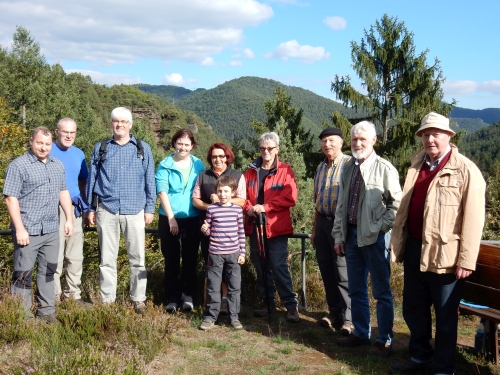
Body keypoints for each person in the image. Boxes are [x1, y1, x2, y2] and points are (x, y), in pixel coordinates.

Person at [390, 112, 486, 375]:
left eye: (436, 134)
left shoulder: (466, 170)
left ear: (448, 137)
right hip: (414, 248)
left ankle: (444, 368)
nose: (431, 139)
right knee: (414, 307)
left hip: (446, 255)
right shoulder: (416, 164)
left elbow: (474, 219)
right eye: (426, 135)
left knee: (445, 316)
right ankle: (420, 358)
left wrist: (466, 260)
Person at [332, 121, 401, 355]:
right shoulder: (348, 167)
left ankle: (385, 338)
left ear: (373, 140)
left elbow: (397, 204)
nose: (358, 143)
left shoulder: (384, 168)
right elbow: (341, 205)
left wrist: (380, 228)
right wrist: (339, 236)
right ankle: (361, 333)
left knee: (381, 292)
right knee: (356, 289)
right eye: (354, 139)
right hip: (350, 237)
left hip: (375, 239)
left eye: (362, 139)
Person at [85, 107, 156, 314]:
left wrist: (149, 208)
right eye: (116, 121)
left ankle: (138, 299)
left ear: (130, 124)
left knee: (137, 258)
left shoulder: (143, 148)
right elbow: (92, 180)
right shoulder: (101, 148)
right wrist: (91, 208)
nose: (120, 125)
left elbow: (149, 180)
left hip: (135, 210)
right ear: (111, 124)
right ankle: (107, 300)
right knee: (107, 259)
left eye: (124, 121)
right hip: (106, 209)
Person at [3, 127, 73, 324]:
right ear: (31, 141)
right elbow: (10, 198)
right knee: (23, 273)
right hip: (28, 230)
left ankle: (47, 311)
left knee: (49, 271)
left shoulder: (57, 165)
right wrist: (20, 228)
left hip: (51, 229)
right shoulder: (19, 166)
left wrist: (68, 218)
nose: (44, 148)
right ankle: (22, 316)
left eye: (47, 144)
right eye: (40, 143)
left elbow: (63, 192)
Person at [243, 131, 300, 323]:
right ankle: (267, 303)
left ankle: (290, 305)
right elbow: (241, 196)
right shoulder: (251, 170)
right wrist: (248, 208)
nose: (265, 152)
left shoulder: (285, 170)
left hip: (276, 227)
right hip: (254, 226)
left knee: (278, 265)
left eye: (270, 148)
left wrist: (266, 207)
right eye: (262, 148)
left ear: (277, 149)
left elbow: (290, 197)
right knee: (260, 265)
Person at [192, 143, 246, 313]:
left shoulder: (237, 176)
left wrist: (222, 203)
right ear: (210, 158)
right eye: (214, 156)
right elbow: (195, 200)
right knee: (212, 268)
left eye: (221, 156)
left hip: (230, 235)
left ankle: (227, 304)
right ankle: (211, 305)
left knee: (230, 272)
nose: (218, 159)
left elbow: (243, 200)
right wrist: (212, 207)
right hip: (209, 231)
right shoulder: (202, 176)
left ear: (227, 157)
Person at [156, 128, 205, 312]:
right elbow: (162, 191)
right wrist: (171, 218)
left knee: (190, 259)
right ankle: (172, 298)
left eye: (186, 144)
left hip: (192, 218)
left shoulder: (197, 164)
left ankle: (189, 297)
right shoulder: (165, 164)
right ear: (174, 143)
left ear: (192, 146)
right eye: (179, 143)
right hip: (169, 218)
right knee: (171, 259)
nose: (183, 147)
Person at [311, 128, 352, 335]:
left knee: (343, 273)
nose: (327, 144)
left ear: (341, 143)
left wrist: (344, 231)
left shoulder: (349, 165)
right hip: (322, 224)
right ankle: (334, 313)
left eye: (331, 141)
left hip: (341, 225)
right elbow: (317, 202)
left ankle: (349, 319)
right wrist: (314, 230)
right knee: (327, 271)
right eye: (324, 141)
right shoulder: (320, 168)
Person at [50, 118, 89, 305]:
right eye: (65, 132)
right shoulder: (47, 150)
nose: (69, 135)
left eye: (72, 132)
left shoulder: (79, 153)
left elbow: (83, 181)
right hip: (52, 209)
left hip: (75, 209)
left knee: (74, 255)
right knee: (55, 255)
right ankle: (54, 296)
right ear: (57, 132)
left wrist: (86, 205)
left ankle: (73, 295)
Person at [199, 176, 246, 331]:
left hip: (234, 254)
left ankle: (234, 317)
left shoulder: (237, 210)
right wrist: (205, 230)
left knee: (234, 286)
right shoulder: (211, 209)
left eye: (226, 191)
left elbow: (241, 233)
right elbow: (209, 231)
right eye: (219, 191)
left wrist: (242, 253)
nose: (222, 194)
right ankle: (210, 317)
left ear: (232, 192)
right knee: (213, 285)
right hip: (215, 254)